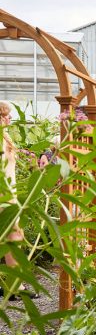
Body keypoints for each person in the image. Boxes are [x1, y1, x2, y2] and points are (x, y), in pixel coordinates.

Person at [0, 102, 38, 299]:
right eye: (5, 116)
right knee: (14, 238)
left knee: (10, 239)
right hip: (4, 197)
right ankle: (15, 287)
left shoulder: (4, 138)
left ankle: (12, 284)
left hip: (9, 194)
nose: (9, 119)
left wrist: (25, 154)